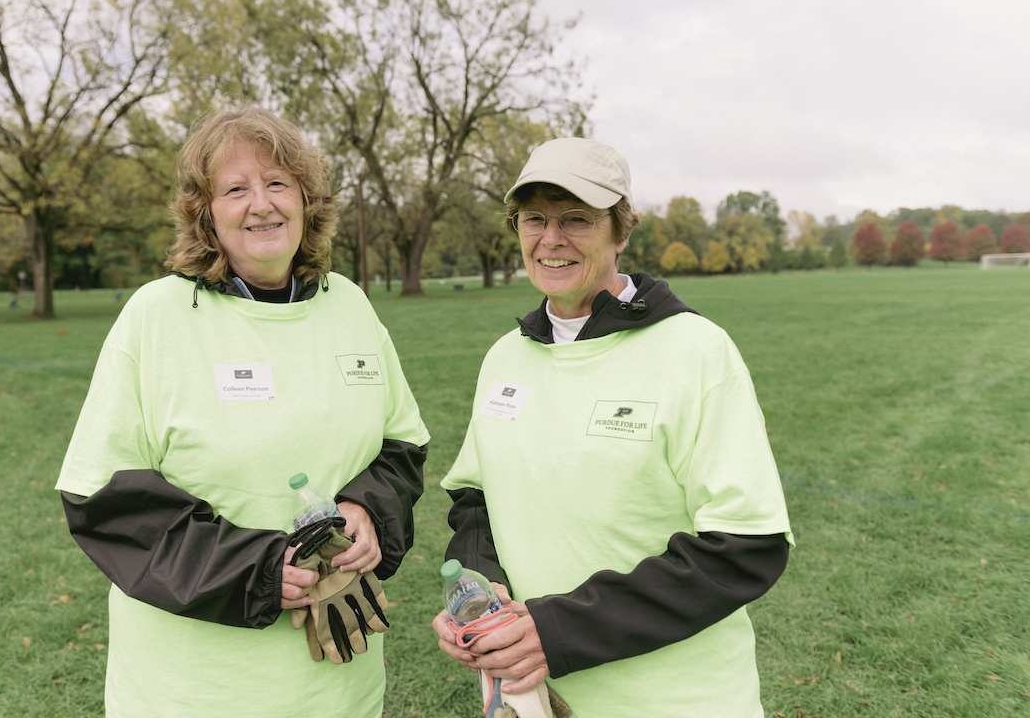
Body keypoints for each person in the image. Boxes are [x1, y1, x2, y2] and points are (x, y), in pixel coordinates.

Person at [56, 106, 430, 718]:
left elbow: (402, 445)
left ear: (307, 201)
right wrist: (256, 570)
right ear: (205, 213)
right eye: (236, 189)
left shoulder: (350, 306)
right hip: (196, 692)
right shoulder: (158, 316)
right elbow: (101, 496)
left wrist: (367, 509)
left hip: (341, 684)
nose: (262, 204)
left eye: (278, 183)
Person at [432, 137, 793, 717]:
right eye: (534, 219)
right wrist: (476, 591)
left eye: (577, 219)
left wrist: (557, 631)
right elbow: (477, 503)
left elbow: (746, 547)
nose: (552, 239)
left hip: (677, 701)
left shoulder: (696, 350)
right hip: (533, 697)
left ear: (622, 230)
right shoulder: (506, 357)